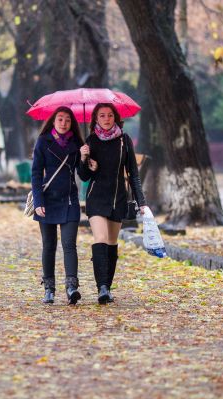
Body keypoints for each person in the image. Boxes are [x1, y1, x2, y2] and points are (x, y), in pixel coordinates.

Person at [78, 103, 147, 304]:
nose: (106, 119)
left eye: (110, 115)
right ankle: (102, 288)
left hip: (118, 198)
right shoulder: (90, 141)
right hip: (96, 197)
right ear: (96, 119)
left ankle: (107, 286)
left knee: (111, 243)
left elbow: (133, 174)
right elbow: (83, 176)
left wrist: (141, 201)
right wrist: (84, 159)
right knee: (100, 238)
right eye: (102, 115)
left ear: (115, 117)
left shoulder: (124, 140)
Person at [32, 107, 87, 304]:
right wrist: (38, 201)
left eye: (67, 120)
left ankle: (72, 287)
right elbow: (36, 173)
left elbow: (83, 174)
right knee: (49, 245)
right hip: (47, 200)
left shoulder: (77, 144)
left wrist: (83, 157)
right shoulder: (43, 141)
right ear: (53, 121)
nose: (64, 123)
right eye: (60, 119)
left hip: (70, 200)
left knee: (69, 244)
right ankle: (49, 288)